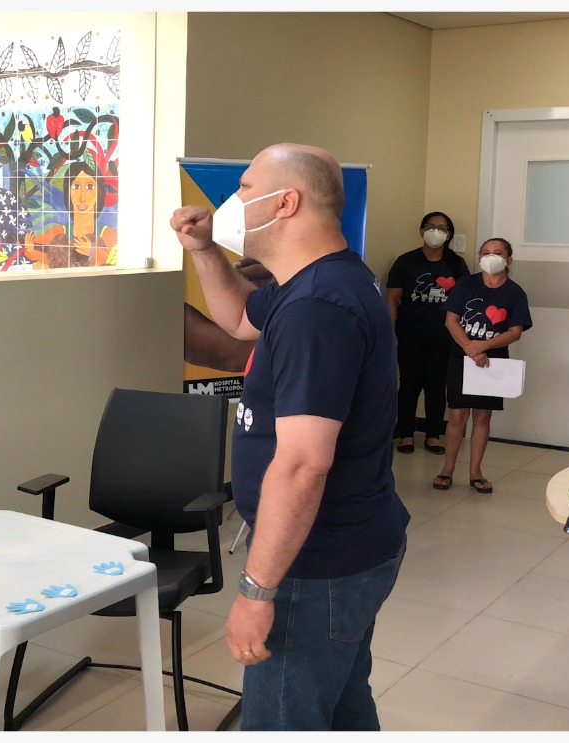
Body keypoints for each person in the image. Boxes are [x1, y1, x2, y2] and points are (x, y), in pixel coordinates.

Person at [171, 143, 409, 731]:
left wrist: (257, 592)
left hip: (315, 565)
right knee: (342, 705)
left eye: (245, 188)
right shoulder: (322, 279)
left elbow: (303, 464)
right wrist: (204, 249)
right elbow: (238, 320)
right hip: (347, 549)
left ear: (286, 202)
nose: (232, 202)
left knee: (284, 720)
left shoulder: (317, 307)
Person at [432, 238, 531, 494]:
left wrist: (483, 346)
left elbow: (515, 332)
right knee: (457, 414)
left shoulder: (515, 293)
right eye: (485, 252)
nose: (490, 257)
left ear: (508, 260)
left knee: (483, 415)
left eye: (497, 253)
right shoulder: (466, 284)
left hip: (493, 360)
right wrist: (471, 348)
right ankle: (447, 469)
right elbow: (451, 321)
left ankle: (475, 472)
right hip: (462, 356)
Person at [386, 211, 469, 454]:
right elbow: (393, 298)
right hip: (410, 334)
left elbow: (464, 299)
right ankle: (406, 434)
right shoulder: (406, 261)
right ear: (421, 231)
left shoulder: (456, 264)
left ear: (448, 234)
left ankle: (433, 435)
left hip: (444, 336)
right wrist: (391, 329)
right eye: (431, 226)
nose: (436, 231)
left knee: (437, 386)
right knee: (409, 384)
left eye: (442, 228)